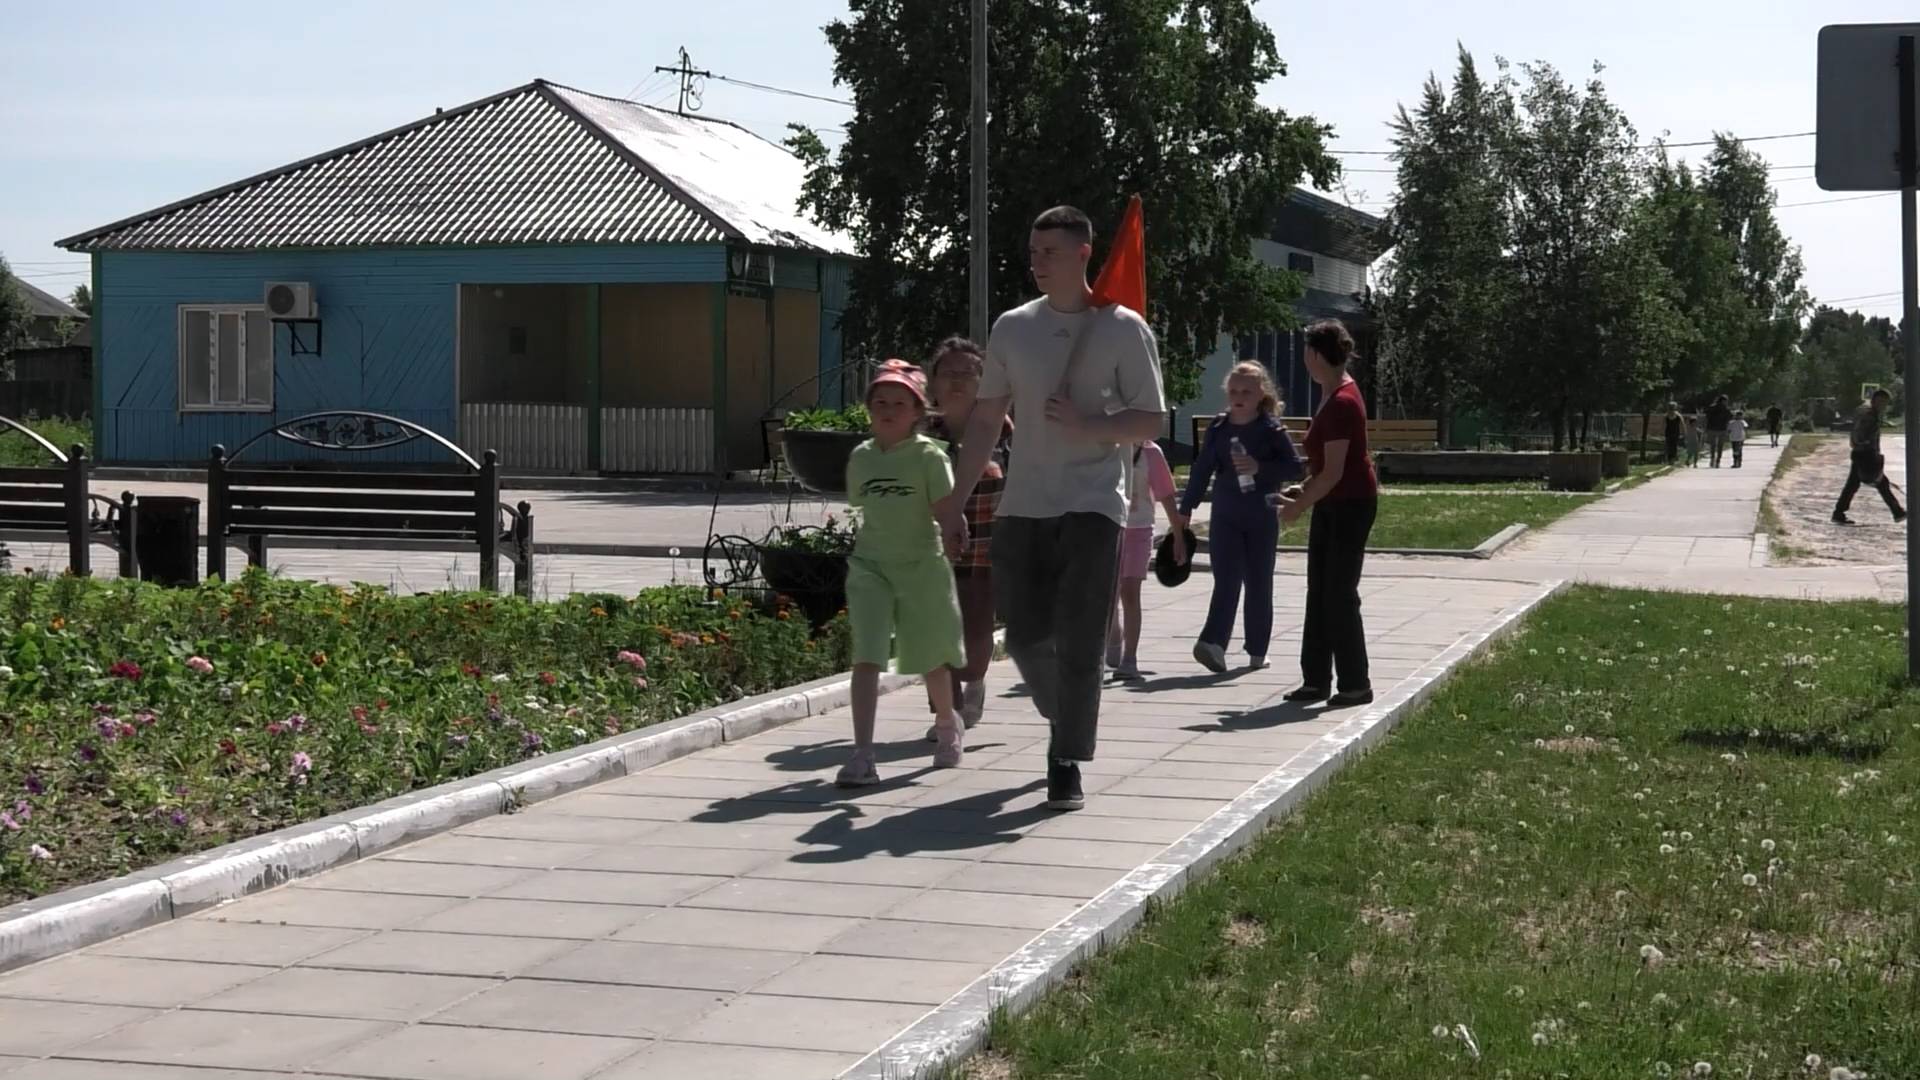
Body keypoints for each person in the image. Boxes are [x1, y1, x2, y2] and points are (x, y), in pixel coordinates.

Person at [942, 205, 1167, 812]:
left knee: (1081, 637)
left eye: (1051, 252)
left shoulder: (1123, 328)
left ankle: (1065, 760)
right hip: (1023, 504)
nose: (1038, 262)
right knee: (1023, 636)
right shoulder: (1014, 327)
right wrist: (955, 502)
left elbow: (1150, 420)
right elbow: (986, 418)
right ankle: (1064, 716)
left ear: (1083, 254)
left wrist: (1089, 423)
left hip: (1094, 504)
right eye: (1034, 252)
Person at [837, 360, 969, 787]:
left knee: (930, 656)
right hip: (870, 566)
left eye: (899, 403)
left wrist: (955, 531)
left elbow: (945, 509)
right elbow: (861, 505)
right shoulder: (861, 458)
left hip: (921, 566)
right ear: (868, 409)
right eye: (880, 402)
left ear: (918, 412)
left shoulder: (930, 457)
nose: (888, 410)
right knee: (867, 656)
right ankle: (862, 754)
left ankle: (947, 723)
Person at [1277, 320, 1379, 709]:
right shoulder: (1331, 394)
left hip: (1350, 504)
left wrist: (1298, 507)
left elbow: (1336, 472)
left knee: (1338, 593)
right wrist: (1304, 489)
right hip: (1333, 501)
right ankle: (1315, 681)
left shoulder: (1341, 402)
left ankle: (1355, 684)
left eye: (1306, 350)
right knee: (1319, 591)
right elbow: (1326, 468)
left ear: (1315, 355)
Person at [1177, 362, 1302, 673]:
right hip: (1226, 513)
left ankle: (1257, 649)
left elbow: (1294, 467)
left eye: (1246, 391)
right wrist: (1186, 508)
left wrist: (1260, 468)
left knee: (1259, 581)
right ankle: (1212, 644)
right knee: (1226, 579)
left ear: (1261, 394)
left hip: (1261, 514)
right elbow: (1202, 469)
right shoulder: (1219, 429)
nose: (1239, 397)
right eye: (1233, 391)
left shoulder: (1271, 430)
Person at [920, 337, 1012, 739]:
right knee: (935, 635)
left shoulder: (1006, 434)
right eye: (948, 373)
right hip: (931, 553)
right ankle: (948, 715)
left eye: (968, 373)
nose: (957, 381)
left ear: (983, 382)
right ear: (934, 382)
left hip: (985, 554)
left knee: (975, 643)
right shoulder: (920, 435)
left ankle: (975, 680)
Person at [1105, 438, 1185, 680]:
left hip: (1139, 530)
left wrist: (1178, 536)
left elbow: (1167, 496)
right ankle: (1114, 635)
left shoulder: (1151, 453)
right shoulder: (1106, 446)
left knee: (1130, 592)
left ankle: (1130, 659)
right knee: (1108, 594)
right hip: (1109, 528)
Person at [1832, 388, 1906, 526]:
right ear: (1874, 401)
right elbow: (1859, 435)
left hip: (1862, 454)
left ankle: (1838, 513)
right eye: (1881, 401)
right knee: (1881, 483)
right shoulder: (1869, 415)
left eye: (1885, 402)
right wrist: (1864, 444)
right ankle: (1898, 512)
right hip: (1865, 455)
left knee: (1855, 485)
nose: (1883, 405)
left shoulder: (1869, 413)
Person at [1706, 394, 1732, 468]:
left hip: (1712, 428)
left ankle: (1712, 459)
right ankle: (1717, 461)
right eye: (1726, 401)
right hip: (1721, 429)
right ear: (1723, 401)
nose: (1727, 402)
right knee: (1720, 446)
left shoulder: (1712, 407)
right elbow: (1729, 418)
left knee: (1713, 445)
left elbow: (1707, 417)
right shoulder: (1726, 409)